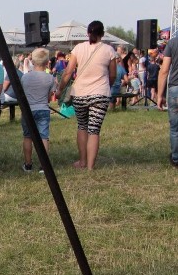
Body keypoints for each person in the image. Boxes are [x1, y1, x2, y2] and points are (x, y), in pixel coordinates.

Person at [57, 20, 116, 170]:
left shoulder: (78, 48)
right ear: (102, 34)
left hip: (80, 93)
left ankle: (82, 162)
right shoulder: (109, 50)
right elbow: (113, 75)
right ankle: (90, 167)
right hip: (100, 93)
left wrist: (59, 89)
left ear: (88, 33)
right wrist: (107, 85)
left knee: (82, 126)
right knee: (94, 130)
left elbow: (68, 72)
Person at [19, 48, 57, 172]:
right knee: (43, 137)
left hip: (28, 110)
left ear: (32, 61)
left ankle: (28, 164)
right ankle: (43, 165)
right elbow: (49, 96)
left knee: (28, 137)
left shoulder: (25, 77)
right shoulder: (49, 78)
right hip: (43, 109)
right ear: (47, 63)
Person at [156, 33, 178, 167]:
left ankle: (176, 158)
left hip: (175, 88)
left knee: (175, 128)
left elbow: (164, 70)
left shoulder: (172, 43)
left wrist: (159, 95)